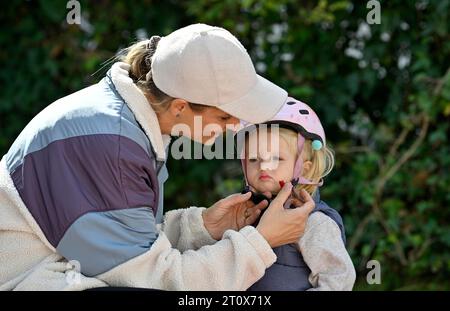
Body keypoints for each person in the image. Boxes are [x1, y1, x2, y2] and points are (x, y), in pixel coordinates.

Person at [0, 24, 315, 290]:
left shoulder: (122, 121)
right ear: (180, 107)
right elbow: (155, 282)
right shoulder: (112, 144)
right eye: (225, 118)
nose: (235, 128)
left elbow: (114, 240)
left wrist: (201, 227)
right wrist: (261, 242)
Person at [236, 97, 356, 290]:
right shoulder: (239, 214)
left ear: (305, 169)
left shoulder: (312, 222)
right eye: (253, 158)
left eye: (276, 158)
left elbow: (338, 280)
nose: (263, 166)